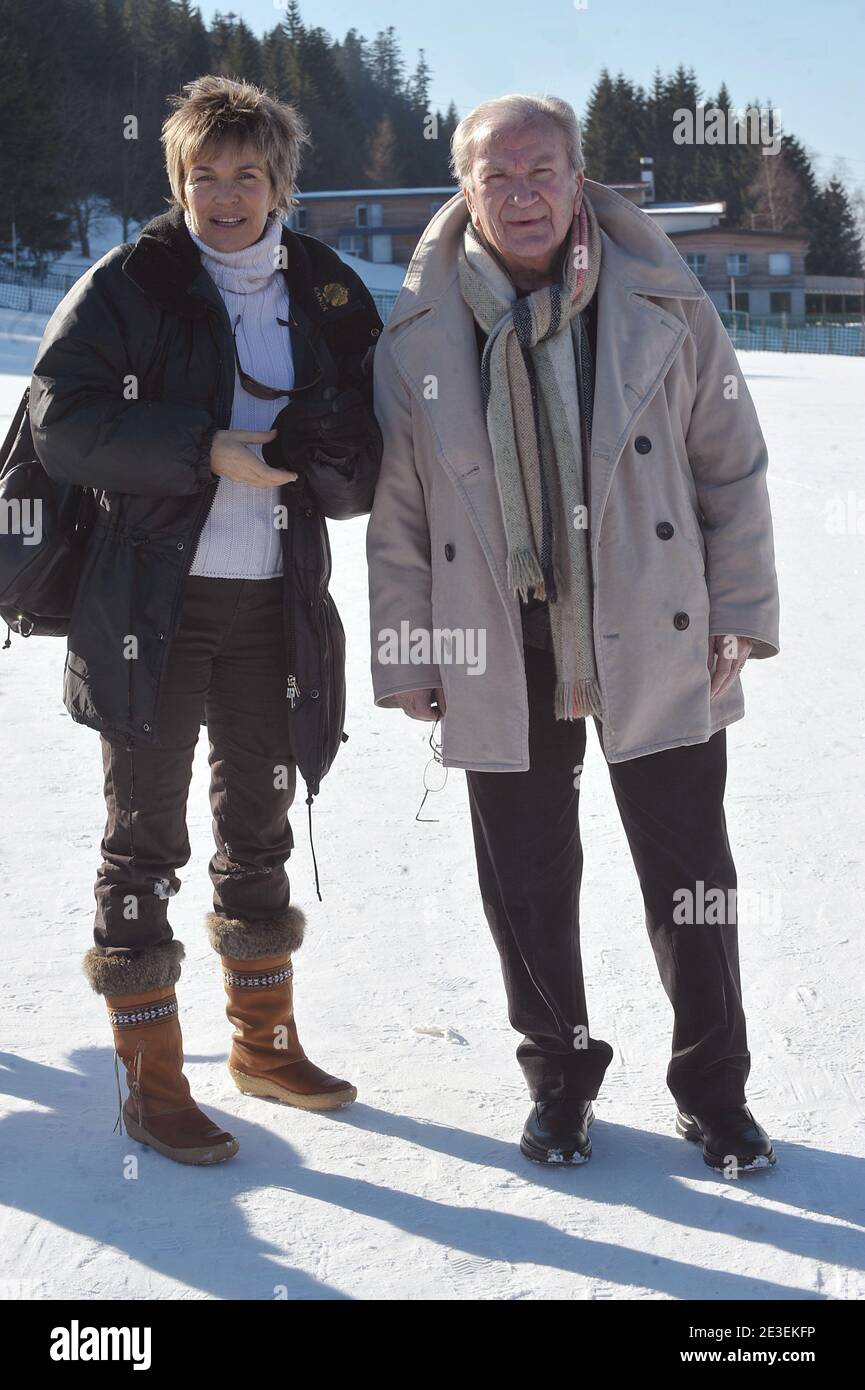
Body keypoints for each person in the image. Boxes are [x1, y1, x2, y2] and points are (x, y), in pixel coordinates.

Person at [367, 94, 780, 1173]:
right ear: (464, 188)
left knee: (691, 874)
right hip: (495, 639)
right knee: (526, 881)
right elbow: (402, 511)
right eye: (496, 175)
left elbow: (730, 467)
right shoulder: (419, 328)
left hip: (658, 631)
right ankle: (556, 1079)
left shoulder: (665, 302)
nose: (522, 192)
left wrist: (738, 614)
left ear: (579, 175)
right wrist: (409, 651)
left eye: (540, 168)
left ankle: (714, 1090)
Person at [30, 75, 382, 1165]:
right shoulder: (131, 280)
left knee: (259, 824)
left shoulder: (325, 289)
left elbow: (363, 463)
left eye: (247, 174)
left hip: (273, 606)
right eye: (203, 176)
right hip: (150, 604)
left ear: (281, 181)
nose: (225, 196)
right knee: (143, 838)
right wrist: (205, 451)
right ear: (177, 181)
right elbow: (62, 422)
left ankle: (263, 1042)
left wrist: (327, 456)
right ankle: (152, 1078)